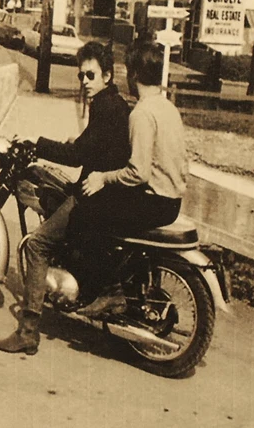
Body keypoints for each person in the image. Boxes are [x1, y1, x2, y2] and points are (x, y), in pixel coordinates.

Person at [0, 41, 130, 355]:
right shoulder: (114, 103)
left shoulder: (104, 106)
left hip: (97, 196)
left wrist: (37, 143)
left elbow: (78, 155)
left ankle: (28, 332)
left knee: (37, 244)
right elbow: (94, 146)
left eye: (91, 75)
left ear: (107, 75)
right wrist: (73, 143)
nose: (85, 81)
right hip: (110, 192)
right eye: (81, 76)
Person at [76, 40, 188, 316]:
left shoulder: (141, 113)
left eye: (128, 71)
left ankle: (110, 291)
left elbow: (138, 172)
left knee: (87, 214)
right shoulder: (168, 107)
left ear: (134, 74)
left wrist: (103, 177)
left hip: (154, 202)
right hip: (173, 200)